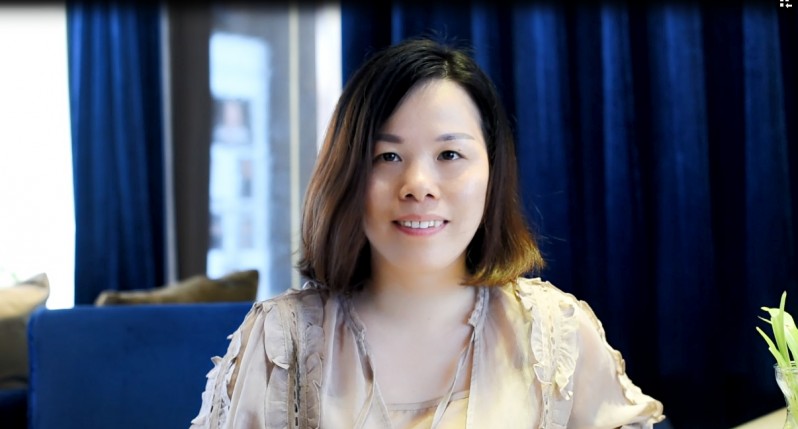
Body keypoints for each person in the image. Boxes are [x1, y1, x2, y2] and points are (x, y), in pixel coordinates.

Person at [189, 37, 665, 429]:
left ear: (493, 173)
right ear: (347, 174)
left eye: (449, 155)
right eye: (388, 157)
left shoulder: (555, 335)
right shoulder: (282, 341)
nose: (418, 185)